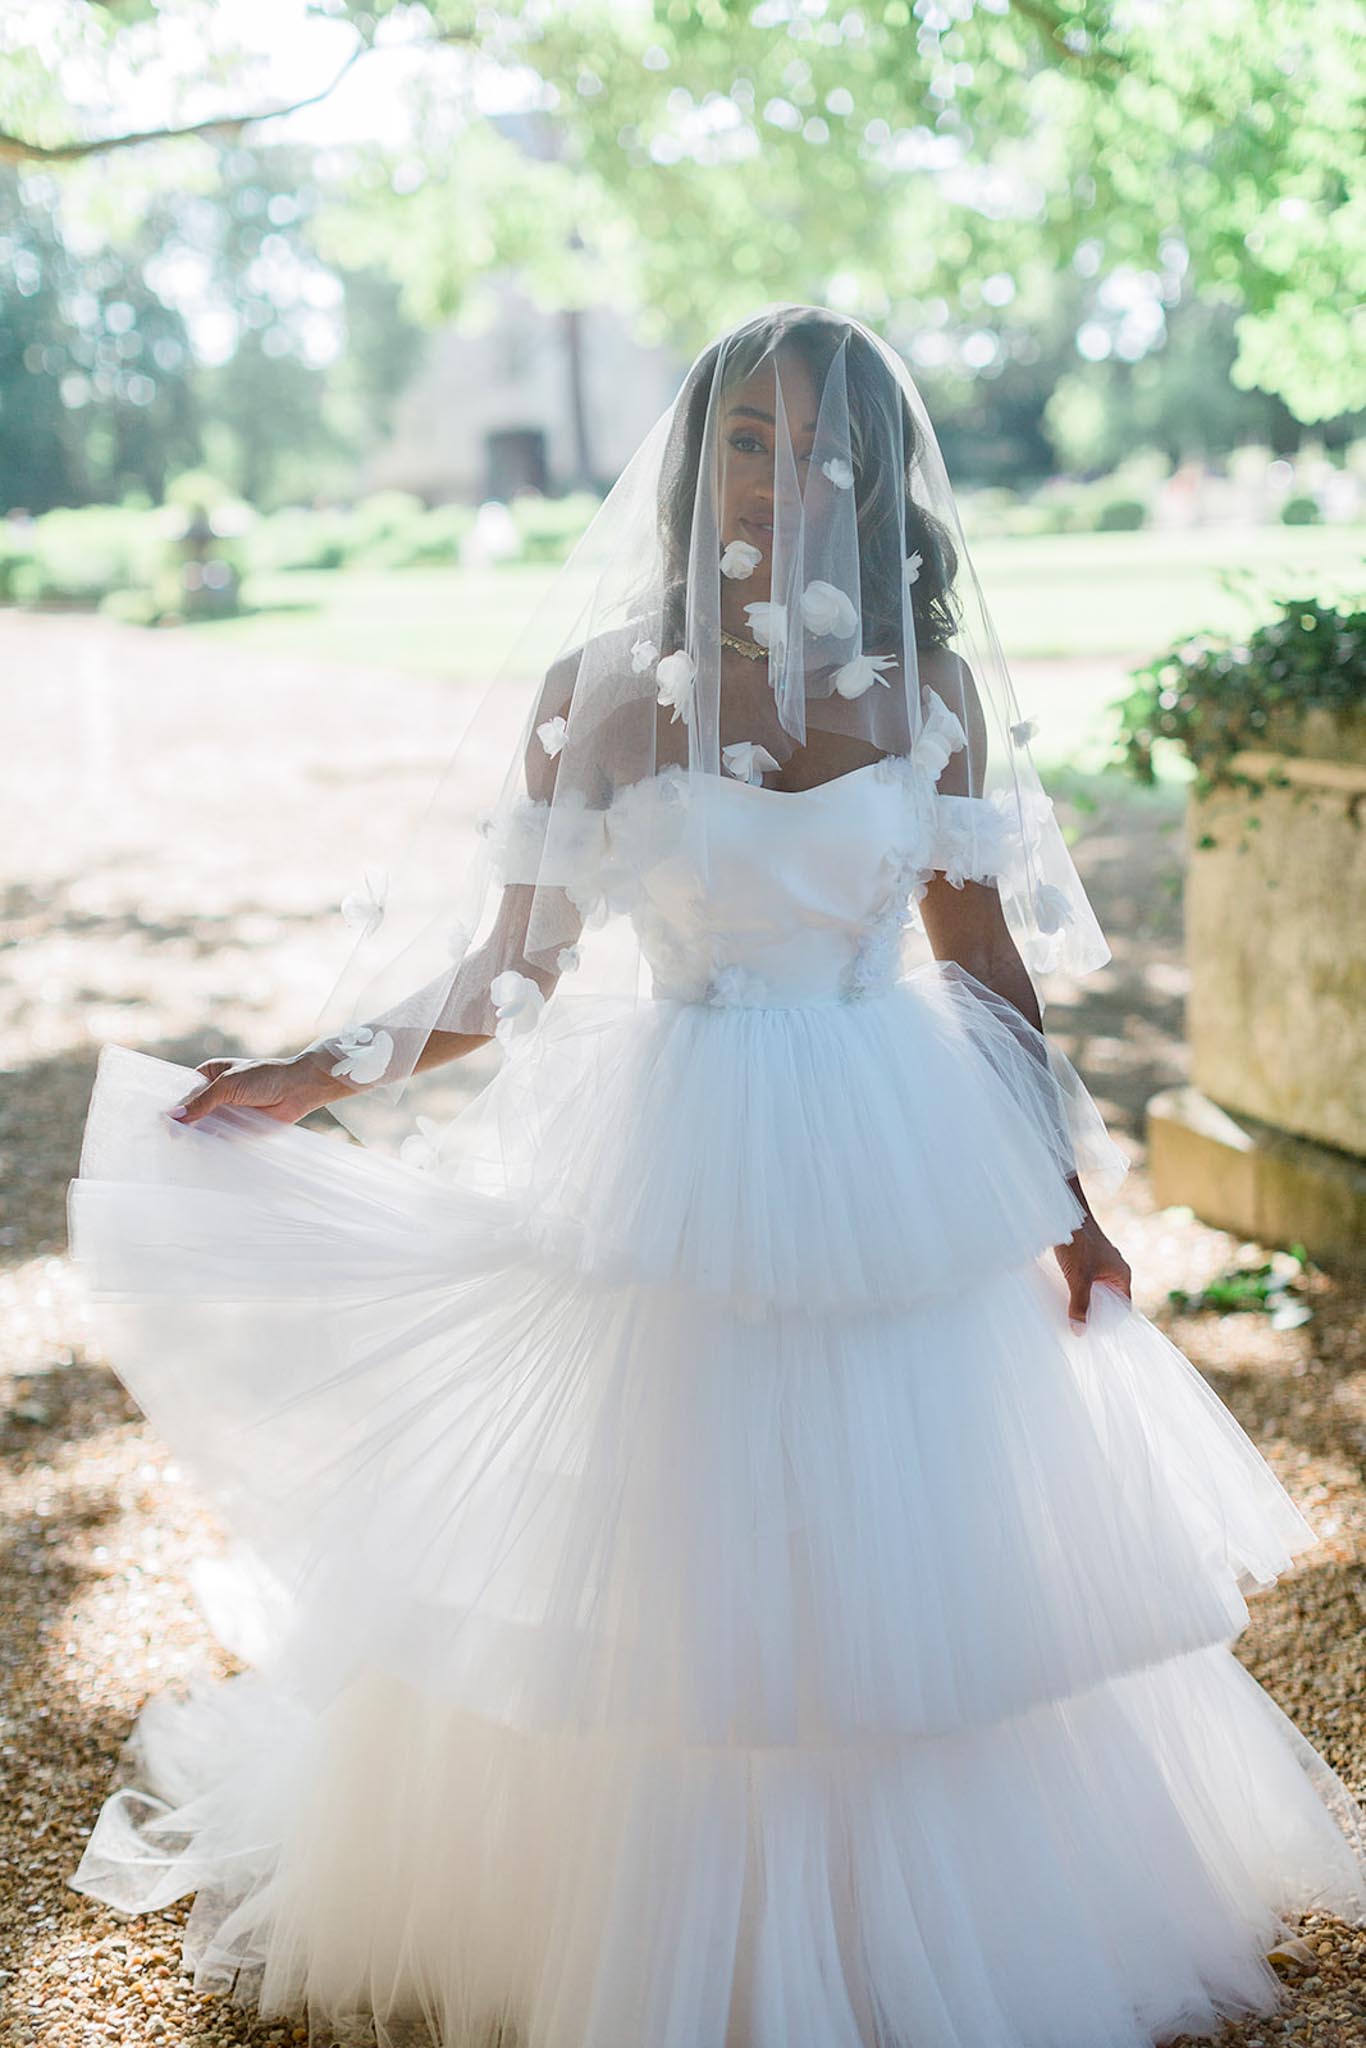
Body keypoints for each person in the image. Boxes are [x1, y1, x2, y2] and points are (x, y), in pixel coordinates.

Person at [68, 305, 1366, 2048]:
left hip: (898, 1153)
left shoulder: (930, 687)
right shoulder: (599, 692)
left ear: (875, 474)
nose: (784, 479)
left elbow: (977, 957)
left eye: (823, 446)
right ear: (698, 460)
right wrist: (303, 1078)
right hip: (675, 1161)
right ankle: (669, 1935)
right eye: (748, 441)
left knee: (913, 1556)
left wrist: (1063, 1199)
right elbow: (509, 975)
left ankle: (923, 1933)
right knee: (685, 1548)